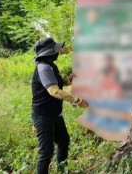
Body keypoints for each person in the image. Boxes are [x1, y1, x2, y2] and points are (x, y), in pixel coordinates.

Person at [31, 37, 89, 174]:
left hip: (54, 113)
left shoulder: (50, 65)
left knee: (63, 141)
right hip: (43, 115)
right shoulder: (43, 67)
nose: (58, 52)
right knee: (46, 150)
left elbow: (59, 82)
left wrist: (70, 79)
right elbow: (54, 91)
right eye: (55, 50)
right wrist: (78, 101)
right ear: (48, 52)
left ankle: (63, 170)